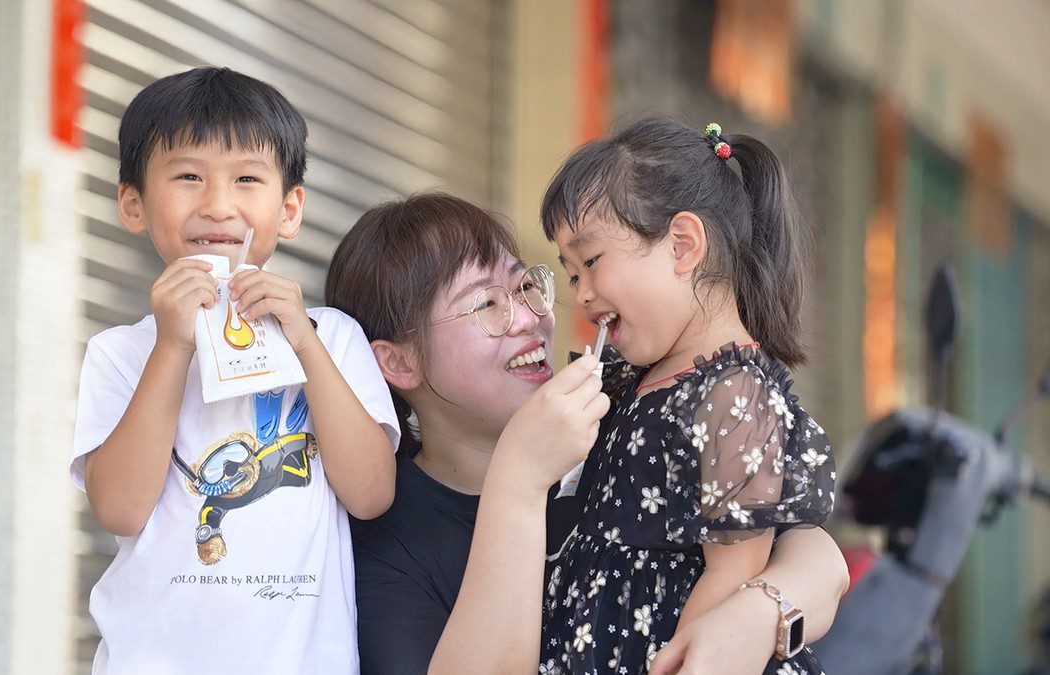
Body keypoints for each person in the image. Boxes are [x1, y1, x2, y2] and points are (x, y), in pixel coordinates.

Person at [328, 191, 848, 674]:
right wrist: (519, 480)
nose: (529, 318)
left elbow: (812, 555)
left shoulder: (618, 420)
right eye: (486, 304)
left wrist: (757, 613)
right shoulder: (382, 544)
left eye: (525, 287)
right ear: (400, 362)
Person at [69, 67, 399, 673]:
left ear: (290, 209)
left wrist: (303, 343)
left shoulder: (331, 336)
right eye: (188, 176)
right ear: (133, 204)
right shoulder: (121, 352)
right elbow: (118, 509)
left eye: (247, 178)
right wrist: (172, 347)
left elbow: (371, 495)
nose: (218, 205)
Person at [540, 116, 836, 674]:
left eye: (592, 262)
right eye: (572, 275)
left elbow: (734, 573)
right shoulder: (632, 381)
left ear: (682, 245)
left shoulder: (735, 394)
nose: (582, 295)